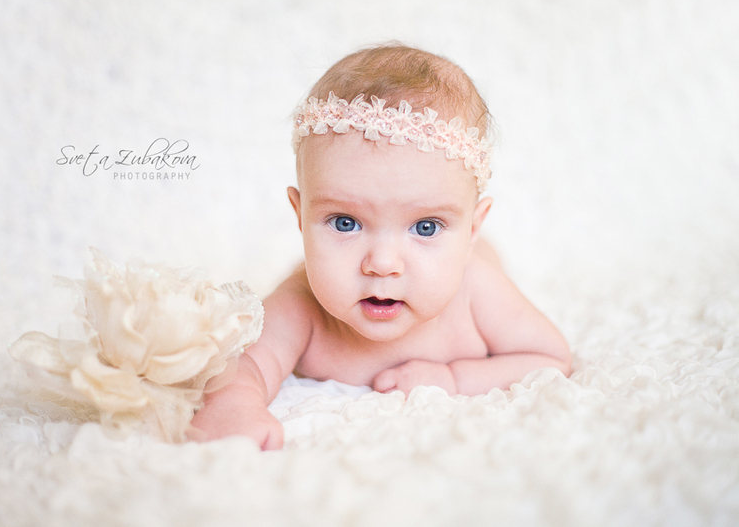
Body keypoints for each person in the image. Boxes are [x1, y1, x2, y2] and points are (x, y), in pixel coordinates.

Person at [188, 43, 571, 450]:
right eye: (345, 222)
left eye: (426, 227)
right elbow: (244, 363)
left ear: (472, 228)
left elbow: (550, 358)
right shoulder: (303, 305)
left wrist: (454, 378)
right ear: (300, 216)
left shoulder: (477, 289)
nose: (383, 264)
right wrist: (234, 402)